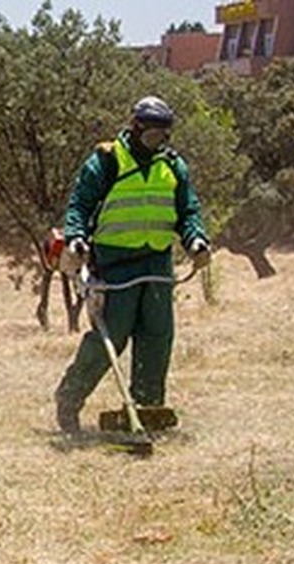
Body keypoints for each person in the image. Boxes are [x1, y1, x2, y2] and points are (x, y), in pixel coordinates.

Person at [53, 96, 211, 434]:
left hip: (157, 264)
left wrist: (196, 240)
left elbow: (189, 211)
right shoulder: (108, 160)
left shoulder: (173, 166)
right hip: (114, 266)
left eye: (163, 135)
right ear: (135, 127)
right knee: (111, 337)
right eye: (151, 133)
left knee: (157, 338)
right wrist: (76, 237)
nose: (157, 140)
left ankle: (147, 410)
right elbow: (80, 204)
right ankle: (69, 399)